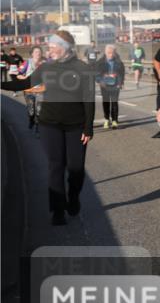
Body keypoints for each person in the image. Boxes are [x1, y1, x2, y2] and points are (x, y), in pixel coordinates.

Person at [1, 31, 94, 225]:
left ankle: (74, 196)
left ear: (66, 47)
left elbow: (89, 100)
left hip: (76, 126)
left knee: (76, 169)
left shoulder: (82, 68)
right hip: (49, 124)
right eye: (49, 46)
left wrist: (88, 128)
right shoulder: (46, 67)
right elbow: (26, 83)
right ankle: (58, 210)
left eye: (53, 46)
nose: (49, 50)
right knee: (55, 166)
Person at [94, 44, 126, 129]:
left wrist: (121, 82)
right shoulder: (100, 62)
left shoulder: (119, 62)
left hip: (115, 84)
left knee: (114, 102)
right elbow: (96, 73)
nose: (110, 55)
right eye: (108, 53)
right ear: (105, 52)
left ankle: (115, 120)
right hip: (104, 85)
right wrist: (100, 81)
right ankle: (106, 119)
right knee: (106, 102)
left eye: (112, 53)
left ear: (115, 53)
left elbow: (122, 73)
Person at [15, 46, 46, 131]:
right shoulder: (27, 63)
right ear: (32, 54)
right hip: (29, 91)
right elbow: (18, 74)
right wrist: (24, 78)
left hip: (40, 91)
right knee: (31, 111)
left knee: (39, 111)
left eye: (39, 52)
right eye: (36, 52)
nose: (38, 53)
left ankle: (37, 127)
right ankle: (31, 120)